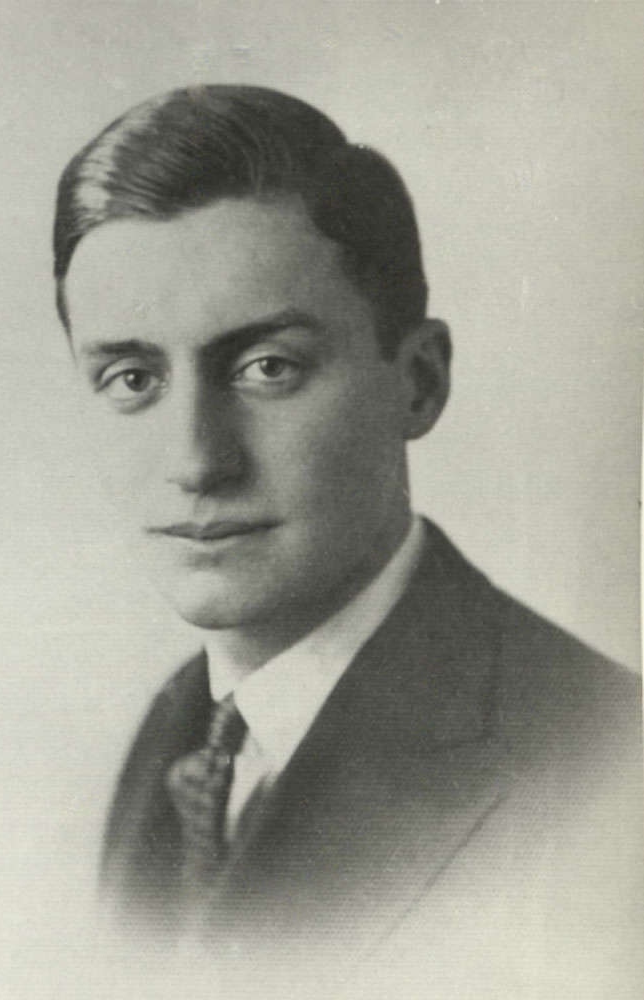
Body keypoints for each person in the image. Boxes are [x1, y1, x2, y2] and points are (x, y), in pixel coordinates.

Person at [52, 85, 642, 997]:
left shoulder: (603, 765)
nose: (197, 462)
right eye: (132, 378)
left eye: (267, 368)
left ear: (417, 382)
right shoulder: (177, 732)